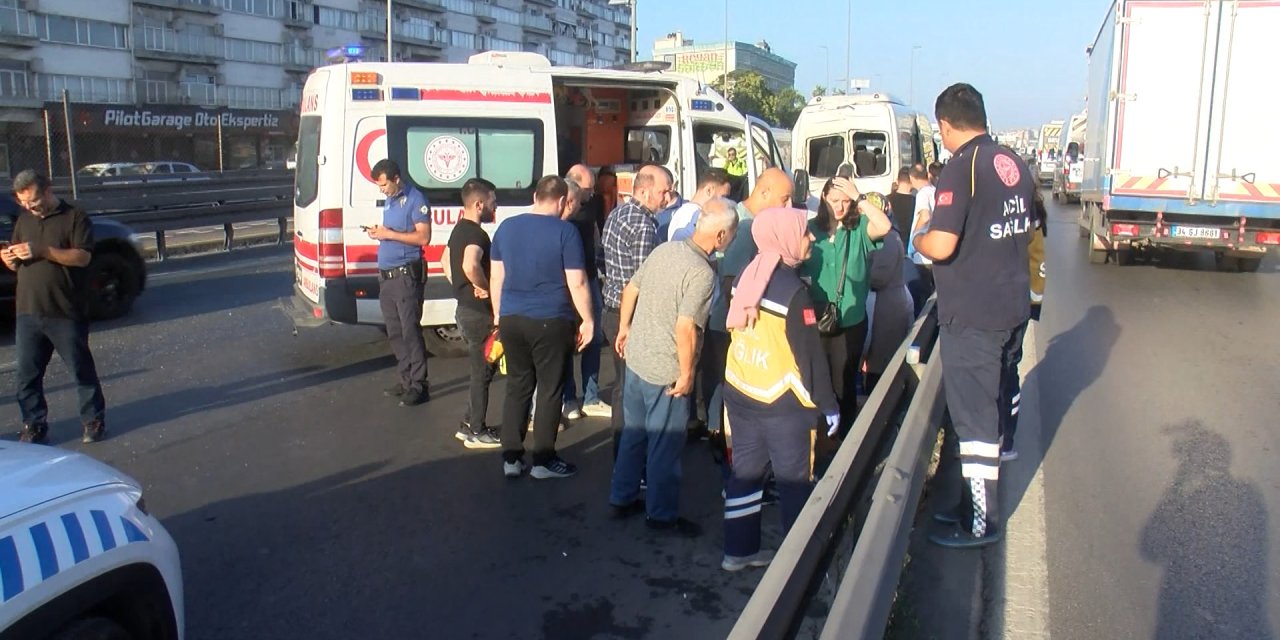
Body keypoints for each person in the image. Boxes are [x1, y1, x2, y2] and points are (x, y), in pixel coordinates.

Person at [913, 83, 1033, 548]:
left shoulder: (961, 170)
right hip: (1011, 307)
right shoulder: (1011, 163)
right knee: (998, 402)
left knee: (975, 425)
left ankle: (980, 523)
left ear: (944, 125)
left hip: (975, 317)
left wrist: (921, 235)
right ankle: (971, 504)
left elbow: (941, 245)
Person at [610, 198, 739, 536]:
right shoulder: (702, 273)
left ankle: (622, 497)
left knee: (633, 436)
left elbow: (631, 288)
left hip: (637, 358)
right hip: (664, 369)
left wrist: (624, 328)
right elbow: (686, 327)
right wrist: (686, 373)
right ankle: (661, 514)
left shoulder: (664, 250)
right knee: (664, 446)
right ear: (722, 235)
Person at [721, 207, 838, 571]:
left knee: (745, 475)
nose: (812, 239)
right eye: (805, 233)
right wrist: (828, 404)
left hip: (741, 391)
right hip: (782, 403)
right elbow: (810, 356)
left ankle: (737, 553)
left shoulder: (748, 273)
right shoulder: (795, 293)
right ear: (785, 238)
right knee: (793, 482)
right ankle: (796, 564)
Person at [490, 176, 595, 480]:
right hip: (551, 318)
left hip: (511, 317)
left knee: (518, 385)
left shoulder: (507, 227)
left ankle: (511, 457)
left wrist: (498, 315)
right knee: (550, 388)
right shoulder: (566, 231)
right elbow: (576, 280)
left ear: (535, 195)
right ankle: (543, 460)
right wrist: (587, 320)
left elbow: (496, 276)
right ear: (562, 201)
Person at [4, 170, 107, 444]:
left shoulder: (74, 216)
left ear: (48, 191)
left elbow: (83, 257)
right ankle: (34, 423)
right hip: (28, 310)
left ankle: (93, 419)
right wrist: (10, 258)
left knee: (80, 369)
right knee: (27, 375)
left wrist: (43, 250)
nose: (29, 207)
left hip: (65, 310)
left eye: (34, 200)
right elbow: (18, 257)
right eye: (22, 202)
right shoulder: (24, 220)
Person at [702, 168, 795, 447]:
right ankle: (720, 442)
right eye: (785, 198)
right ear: (764, 192)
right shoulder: (745, 228)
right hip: (727, 325)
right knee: (724, 385)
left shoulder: (748, 222)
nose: (788, 206)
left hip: (728, 323)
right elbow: (732, 282)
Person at [802, 177, 892, 437]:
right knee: (817, 380)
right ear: (823, 200)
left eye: (845, 201)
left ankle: (844, 439)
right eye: (833, 201)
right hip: (815, 317)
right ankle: (820, 436)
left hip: (849, 321)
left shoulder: (860, 228)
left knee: (844, 383)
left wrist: (860, 197)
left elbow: (884, 226)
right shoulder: (810, 229)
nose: (839, 207)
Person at [601, 164, 670, 455]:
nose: (667, 199)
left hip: (612, 310)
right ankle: (631, 458)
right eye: (663, 192)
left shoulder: (618, 212)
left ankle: (623, 455)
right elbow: (642, 281)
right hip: (630, 316)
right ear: (643, 190)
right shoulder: (643, 225)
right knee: (634, 392)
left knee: (622, 388)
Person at [441, 177, 501, 449]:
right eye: (492, 201)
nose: (495, 205)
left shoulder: (458, 231)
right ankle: (477, 430)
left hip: (464, 309)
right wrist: (484, 287)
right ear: (479, 204)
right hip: (478, 314)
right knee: (482, 374)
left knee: (482, 371)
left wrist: (460, 288)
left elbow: (445, 260)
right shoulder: (477, 235)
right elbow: (470, 264)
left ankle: (468, 423)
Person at [367, 159, 432, 407]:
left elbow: (423, 237)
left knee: (410, 331)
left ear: (396, 179)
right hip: (387, 277)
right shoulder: (391, 199)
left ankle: (419, 384)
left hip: (405, 276)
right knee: (394, 332)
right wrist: (380, 232)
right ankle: (405, 380)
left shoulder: (416, 199)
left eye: (383, 184)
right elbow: (394, 232)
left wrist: (388, 234)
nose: (381, 189)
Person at [561, 165, 610, 419]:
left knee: (594, 338)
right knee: (568, 340)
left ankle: (591, 396)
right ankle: (569, 399)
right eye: (588, 190)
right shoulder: (564, 211)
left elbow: (596, 236)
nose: (592, 195)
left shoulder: (590, 204)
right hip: (569, 281)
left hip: (589, 277)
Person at [863, 228, 913, 392]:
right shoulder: (892, 235)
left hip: (884, 308)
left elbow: (878, 278)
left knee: (881, 369)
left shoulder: (887, 238)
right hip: (885, 305)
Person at [666, 168, 732, 242]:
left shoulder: (681, 212)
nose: (726, 202)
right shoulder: (698, 217)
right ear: (709, 190)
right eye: (723, 197)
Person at [906, 164, 937, 313]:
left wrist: (914, 236)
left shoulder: (922, 194)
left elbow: (925, 216)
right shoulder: (935, 191)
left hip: (922, 254)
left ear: (912, 178)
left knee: (924, 296)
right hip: (933, 249)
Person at [886, 167, 917, 235]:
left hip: (891, 239)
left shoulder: (886, 199)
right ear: (912, 181)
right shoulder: (916, 202)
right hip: (909, 240)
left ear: (897, 181)